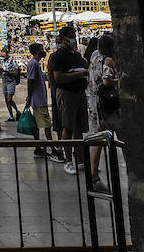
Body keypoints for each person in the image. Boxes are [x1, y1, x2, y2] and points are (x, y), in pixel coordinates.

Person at [48, 27, 89, 173]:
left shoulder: (76, 55)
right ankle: (68, 161)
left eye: (74, 36)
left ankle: (80, 160)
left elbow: (86, 65)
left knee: (78, 127)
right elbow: (58, 77)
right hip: (67, 93)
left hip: (79, 93)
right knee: (67, 126)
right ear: (63, 38)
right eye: (71, 37)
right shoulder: (58, 56)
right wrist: (79, 74)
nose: (73, 39)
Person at [86, 34, 120, 191]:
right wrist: (120, 79)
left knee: (97, 139)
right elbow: (107, 81)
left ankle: (93, 173)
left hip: (93, 102)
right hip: (107, 104)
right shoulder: (108, 60)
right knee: (117, 134)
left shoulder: (94, 57)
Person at [25, 42, 56, 155]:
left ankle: (38, 147)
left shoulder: (35, 63)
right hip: (38, 100)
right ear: (37, 51)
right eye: (41, 48)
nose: (43, 50)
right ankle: (52, 149)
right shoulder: (33, 64)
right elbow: (30, 81)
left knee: (38, 124)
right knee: (47, 125)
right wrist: (29, 96)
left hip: (38, 99)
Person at [0, 48, 22, 121]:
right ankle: (11, 116)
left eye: (3, 52)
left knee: (9, 99)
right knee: (6, 100)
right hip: (4, 81)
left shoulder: (12, 60)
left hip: (11, 82)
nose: (2, 54)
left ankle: (17, 111)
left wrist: (5, 71)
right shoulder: (2, 61)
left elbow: (15, 72)